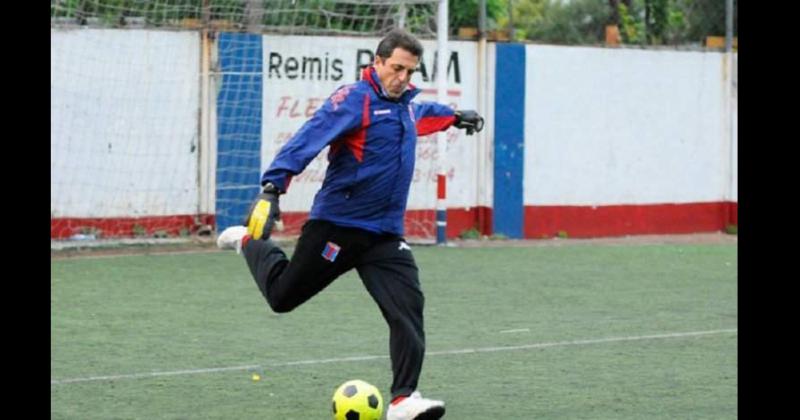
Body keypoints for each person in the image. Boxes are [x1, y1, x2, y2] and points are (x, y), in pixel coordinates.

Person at [217, 28, 484, 420]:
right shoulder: (353, 100)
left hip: (385, 235)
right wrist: (274, 186)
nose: (403, 78)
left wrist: (455, 117)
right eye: (396, 68)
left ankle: (403, 400)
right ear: (377, 63)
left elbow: (424, 115)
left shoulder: (407, 104)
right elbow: (310, 137)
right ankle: (248, 243)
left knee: (407, 307)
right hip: (337, 227)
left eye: (410, 71)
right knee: (282, 298)